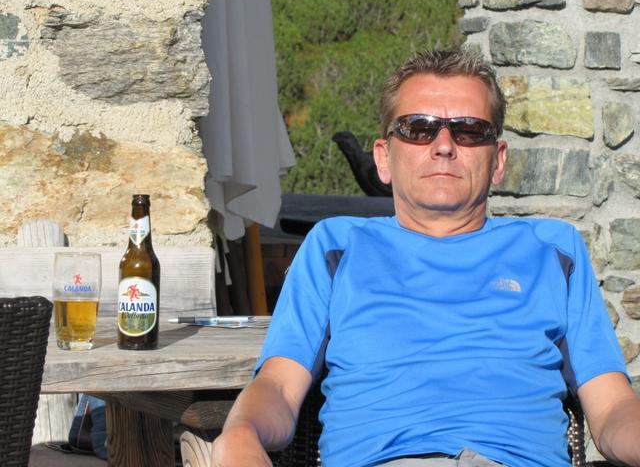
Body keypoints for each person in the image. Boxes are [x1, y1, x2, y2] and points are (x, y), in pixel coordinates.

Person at [211, 50, 640, 467]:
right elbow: (279, 387)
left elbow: (612, 407)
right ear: (384, 158)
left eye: (469, 130)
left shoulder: (554, 250)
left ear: (498, 160)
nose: (444, 146)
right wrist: (240, 435)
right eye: (418, 129)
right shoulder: (336, 248)